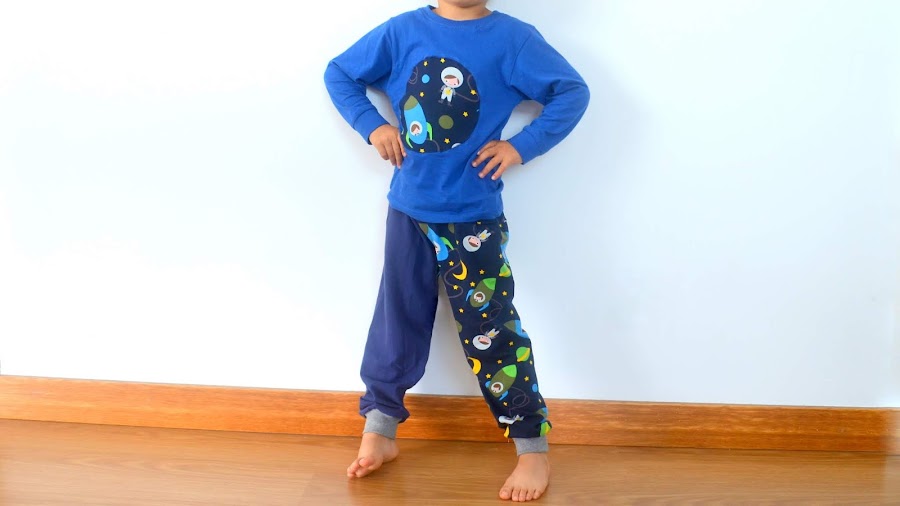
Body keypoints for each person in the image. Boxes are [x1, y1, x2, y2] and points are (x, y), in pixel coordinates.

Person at [324, 0, 589, 501]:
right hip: (407, 211)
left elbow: (571, 92)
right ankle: (379, 430)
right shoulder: (402, 32)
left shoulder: (513, 40)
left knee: (493, 331)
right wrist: (373, 125)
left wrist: (521, 146)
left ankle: (532, 450)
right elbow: (340, 73)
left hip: (474, 219)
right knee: (396, 321)